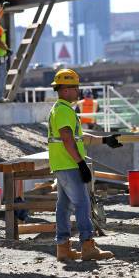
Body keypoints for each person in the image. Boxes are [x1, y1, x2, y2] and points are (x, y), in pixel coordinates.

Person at [48, 69, 122, 262]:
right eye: (75, 87)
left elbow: (79, 138)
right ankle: (87, 245)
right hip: (69, 165)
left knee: (64, 206)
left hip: (62, 165)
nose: (78, 91)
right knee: (82, 203)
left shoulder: (63, 109)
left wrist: (105, 140)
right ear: (64, 90)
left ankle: (63, 248)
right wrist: (81, 163)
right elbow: (66, 139)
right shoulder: (63, 111)